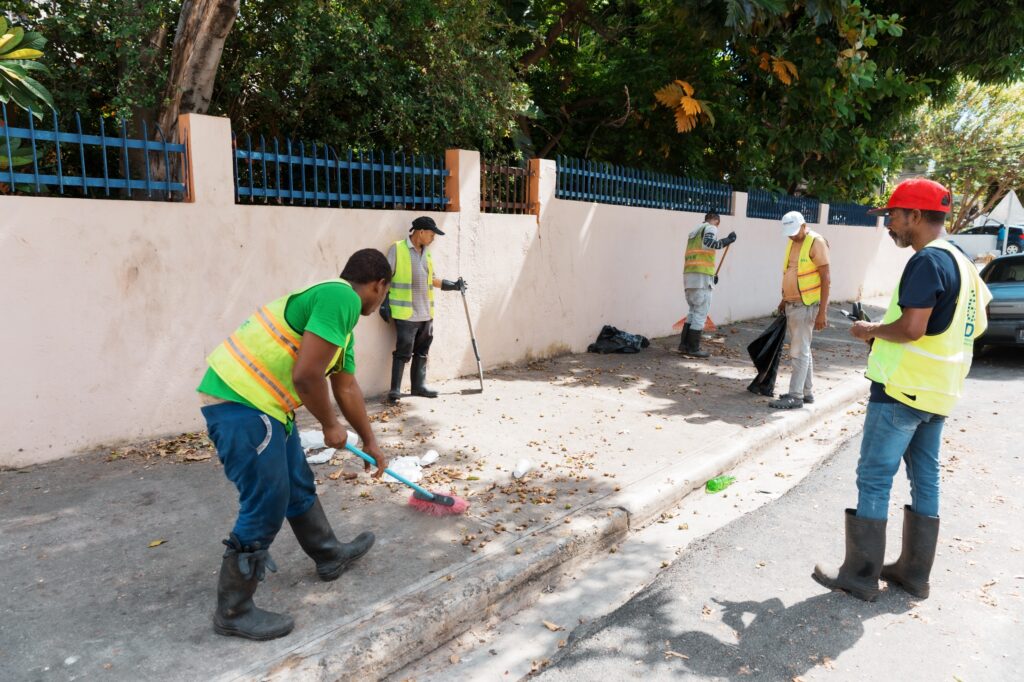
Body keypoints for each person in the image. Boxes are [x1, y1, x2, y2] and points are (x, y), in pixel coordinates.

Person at [196, 249, 393, 640]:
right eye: (384, 294)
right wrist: (329, 425)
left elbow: (346, 385)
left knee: (296, 482)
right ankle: (233, 610)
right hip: (241, 402)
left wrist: (370, 440)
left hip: (266, 407)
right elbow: (306, 376)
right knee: (267, 500)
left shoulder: (340, 327)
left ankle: (328, 554)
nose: (380, 301)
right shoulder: (342, 298)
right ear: (378, 285)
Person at [812, 178, 991, 601]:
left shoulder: (926, 260)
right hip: (939, 391)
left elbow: (913, 327)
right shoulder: (962, 262)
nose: (889, 224)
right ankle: (914, 573)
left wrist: (871, 330)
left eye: (893, 215)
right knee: (925, 477)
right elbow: (976, 322)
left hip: (901, 390)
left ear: (914, 216)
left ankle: (859, 574)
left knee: (874, 477)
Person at [381, 216, 466, 403]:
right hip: (405, 312)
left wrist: (452, 285)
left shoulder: (427, 253)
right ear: (420, 232)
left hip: (426, 312)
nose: (433, 238)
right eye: (432, 234)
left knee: (422, 351)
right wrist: (383, 301)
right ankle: (395, 389)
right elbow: (385, 277)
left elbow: (432, 279)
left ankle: (418, 387)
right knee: (403, 349)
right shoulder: (398, 249)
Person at [769, 211, 831, 409]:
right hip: (793, 303)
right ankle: (806, 392)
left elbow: (826, 278)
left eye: (795, 232)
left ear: (804, 225)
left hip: (806, 305)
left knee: (798, 351)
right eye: (789, 233)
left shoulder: (816, 242)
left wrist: (823, 312)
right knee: (803, 348)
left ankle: (795, 396)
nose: (793, 236)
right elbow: (790, 271)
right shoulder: (793, 240)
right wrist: (784, 299)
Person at [679, 211, 737, 357]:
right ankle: (693, 348)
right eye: (718, 223)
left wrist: (711, 277)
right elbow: (710, 243)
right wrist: (727, 240)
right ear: (716, 220)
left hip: (690, 276)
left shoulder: (694, 231)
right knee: (700, 313)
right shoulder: (711, 228)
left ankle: (684, 345)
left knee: (692, 311)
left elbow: (702, 251)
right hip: (701, 277)